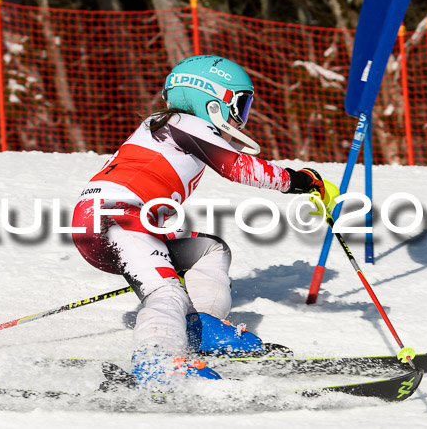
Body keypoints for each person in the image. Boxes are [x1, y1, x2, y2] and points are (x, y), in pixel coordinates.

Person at [72, 55, 334, 386]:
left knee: (210, 250)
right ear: (212, 101)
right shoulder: (184, 123)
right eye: (239, 104)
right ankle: (158, 360)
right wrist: (301, 180)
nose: (242, 117)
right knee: (165, 291)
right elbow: (239, 168)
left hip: (113, 220)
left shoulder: (164, 126)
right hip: (116, 216)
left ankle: (200, 328)